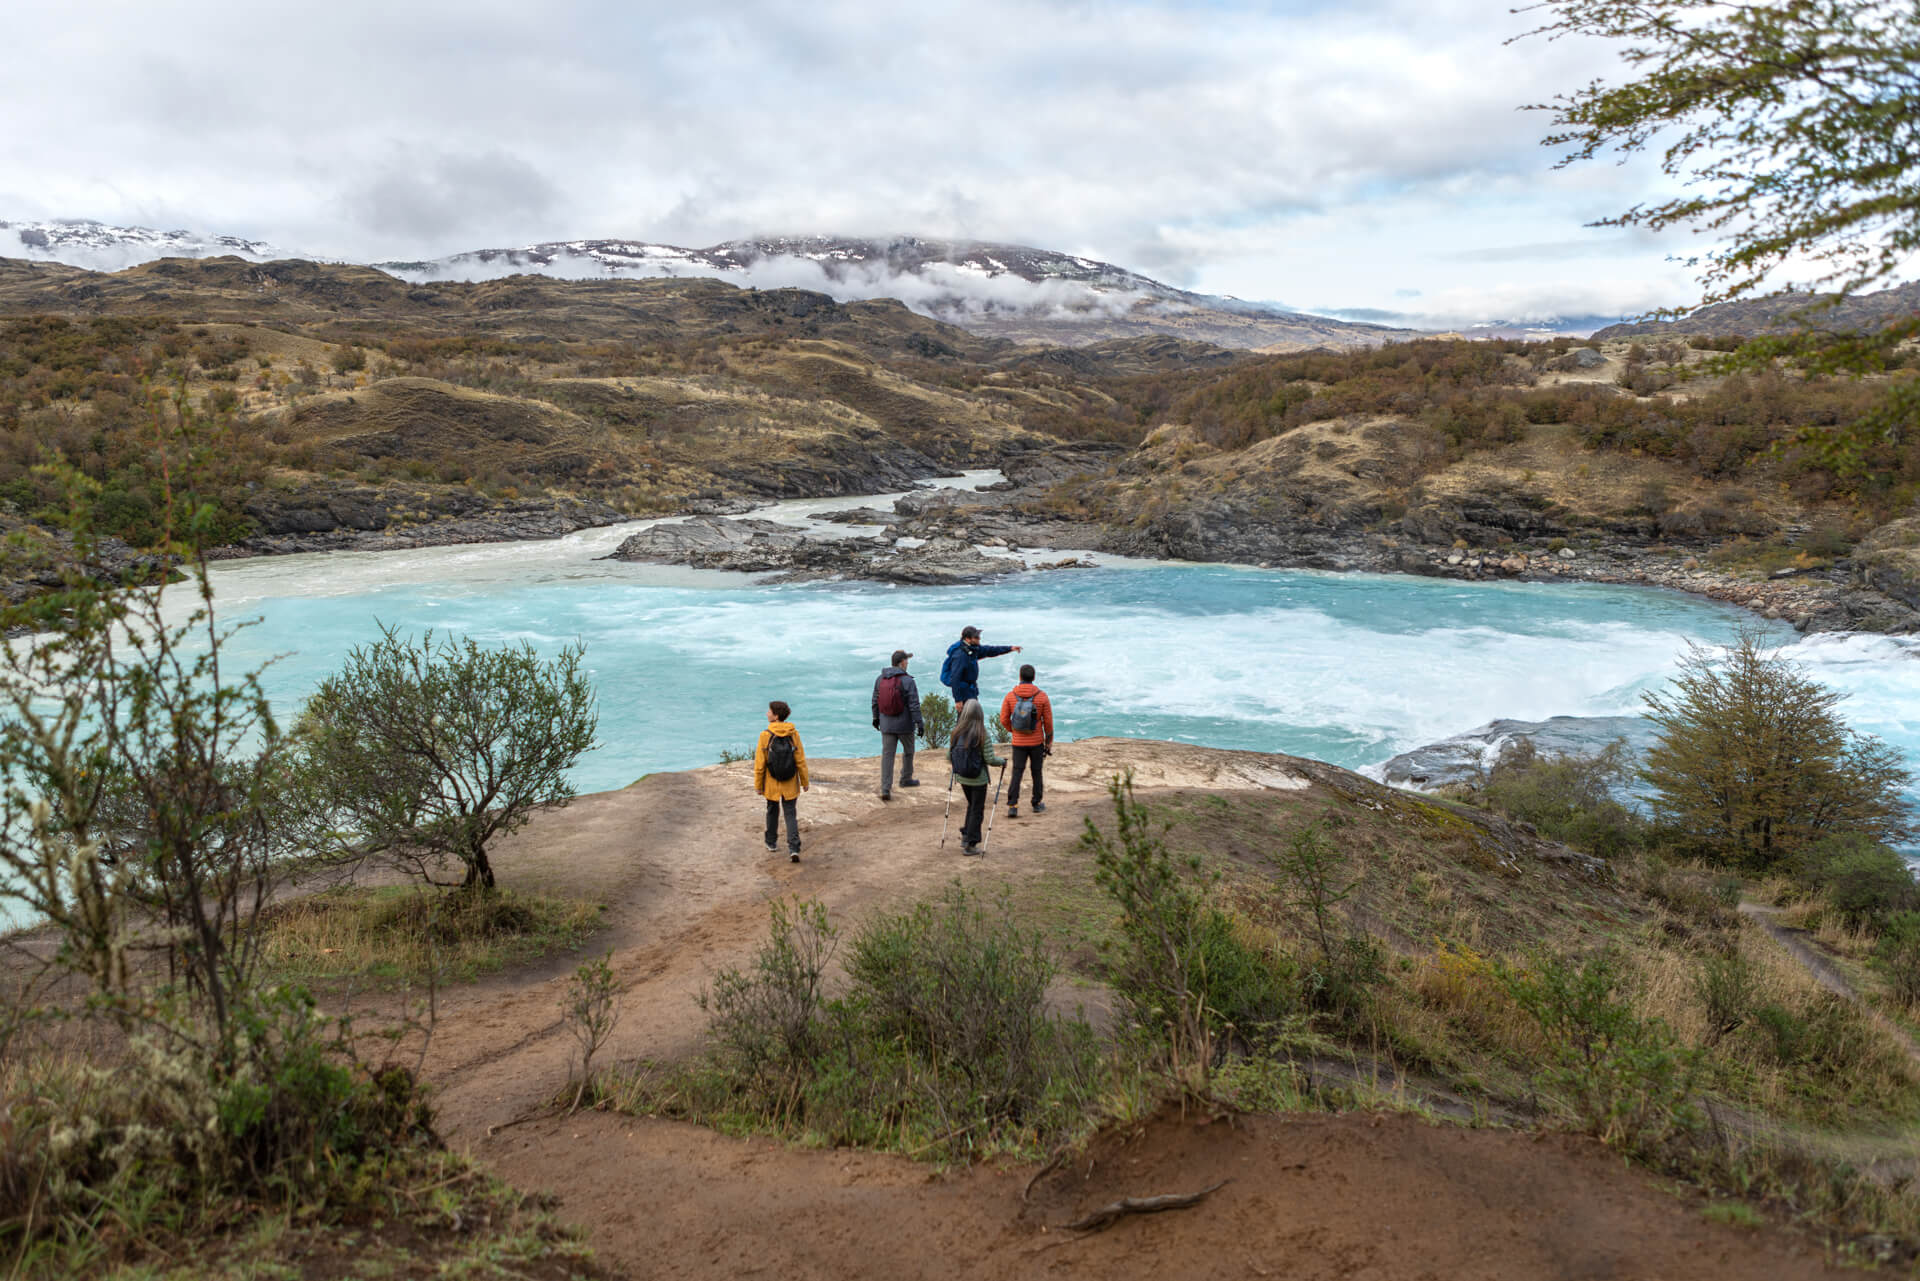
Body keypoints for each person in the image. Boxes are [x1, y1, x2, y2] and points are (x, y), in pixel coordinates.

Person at [753, 700, 808, 862]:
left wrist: (758, 785)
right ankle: (794, 848)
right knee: (790, 813)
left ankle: (771, 842)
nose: (767, 713)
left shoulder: (765, 735)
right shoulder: (793, 733)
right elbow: (800, 760)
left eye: (769, 711)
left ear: (776, 716)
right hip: (790, 781)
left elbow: (760, 764)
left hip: (772, 782)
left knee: (772, 810)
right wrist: (805, 781)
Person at [949, 697, 1004, 856]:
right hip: (978, 779)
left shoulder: (956, 732)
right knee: (977, 809)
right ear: (980, 714)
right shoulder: (982, 734)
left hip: (962, 777)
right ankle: (971, 844)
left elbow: (949, 755)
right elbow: (989, 759)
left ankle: (966, 835)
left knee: (971, 805)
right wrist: (1002, 762)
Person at [997, 663, 1053, 818]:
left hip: (1018, 742)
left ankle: (1013, 805)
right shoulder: (1042, 696)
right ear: (1033, 677)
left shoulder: (1010, 696)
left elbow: (1003, 719)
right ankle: (1036, 803)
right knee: (1036, 772)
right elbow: (1048, 723)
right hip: (1036, 742)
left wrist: (1014, 730)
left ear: (1020, 677)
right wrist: (1048, 743)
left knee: (1017, 772)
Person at [871, 648, 924, 801]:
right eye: (906, 660)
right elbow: (914, 705)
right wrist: (919, 723)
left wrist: (876, 718)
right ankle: (905, 778)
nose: (907, 663)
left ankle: (885, 788)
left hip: (886, 724)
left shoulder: (880, 679)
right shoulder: (908, 681)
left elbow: (875, 701)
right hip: (904, 725)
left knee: (888, 756)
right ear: (901, 663)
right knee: (908, 751)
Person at [939, 625, 1020, 706]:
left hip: (971, 690)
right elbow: (955, 678)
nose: (979, 638)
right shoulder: (960, 656)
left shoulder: (973, 648)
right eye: (976, 637)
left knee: (973, 715)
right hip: (963, 691)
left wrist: (1010, 648)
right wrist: (958, 700)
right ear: (967, 639)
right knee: (966, 716)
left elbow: (990, 650)